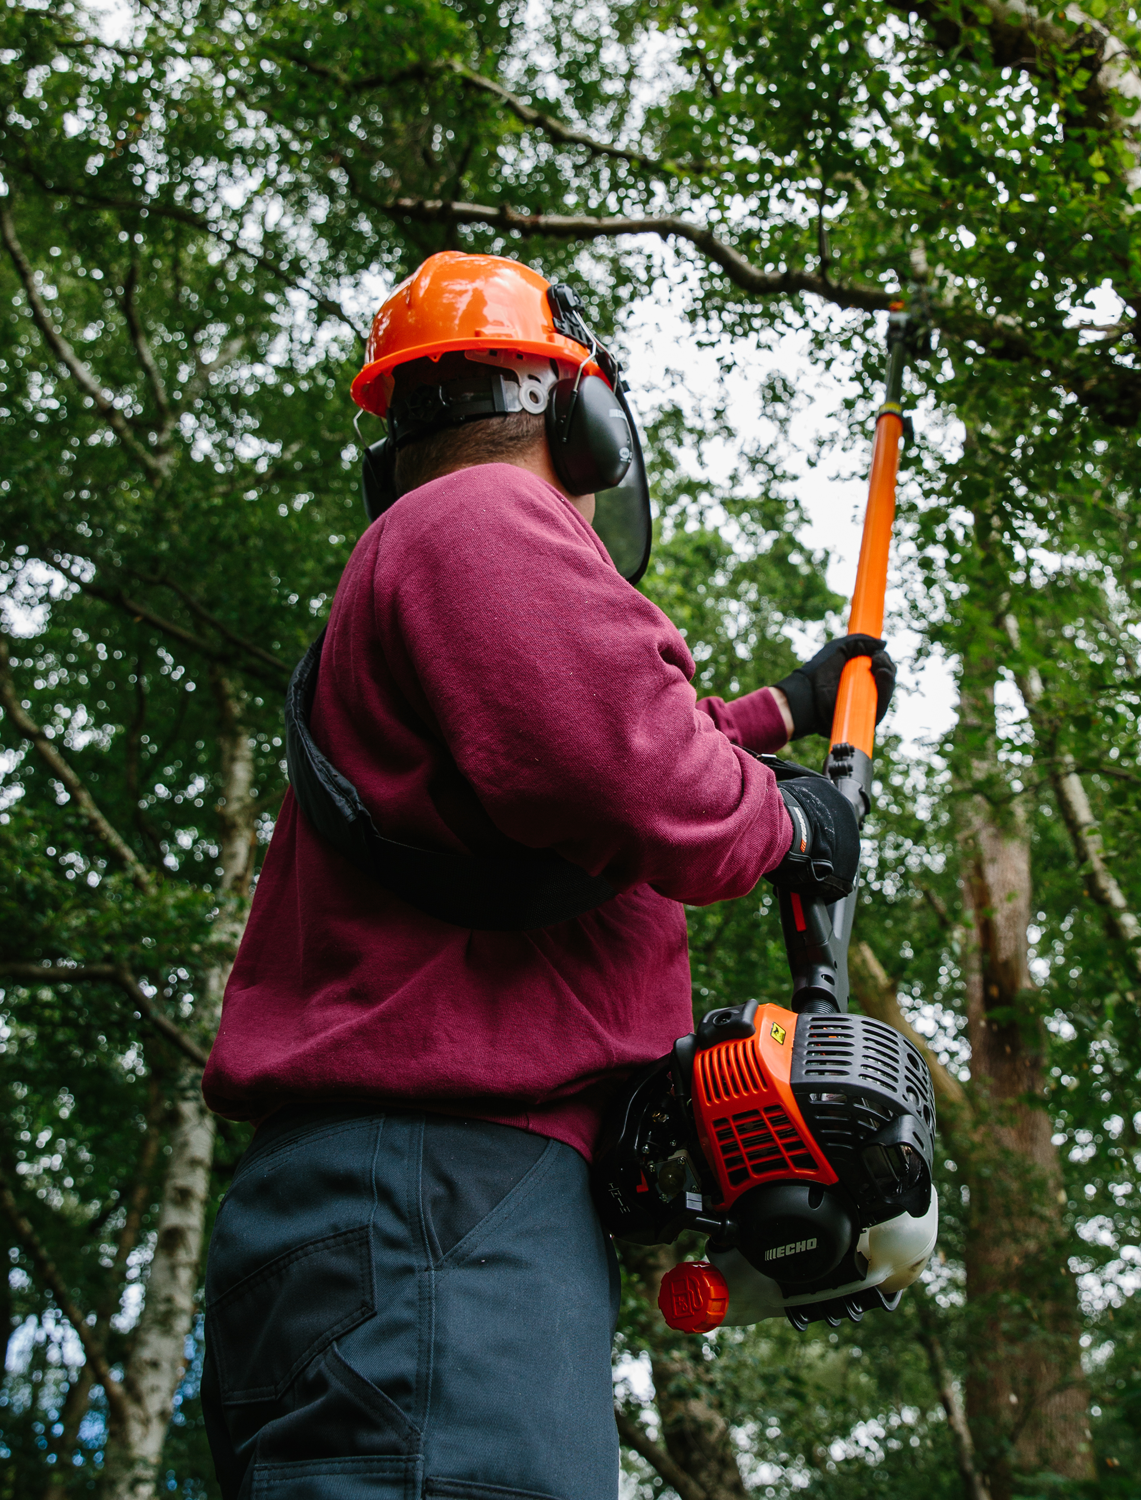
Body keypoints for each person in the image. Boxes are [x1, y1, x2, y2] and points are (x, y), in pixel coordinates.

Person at [199, 252, 895, 1500]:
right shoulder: (481, 519)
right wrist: (793, 830)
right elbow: (636, 777)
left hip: (388, 1218)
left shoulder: (426, 554)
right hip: (443, 1207)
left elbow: (583, 758)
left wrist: (778, 716)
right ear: (582, 417)